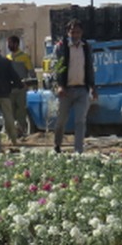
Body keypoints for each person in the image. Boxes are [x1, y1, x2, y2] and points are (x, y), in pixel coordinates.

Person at [52, 19, 97, 153]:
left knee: (80, 121)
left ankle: (78, 150)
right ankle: (57, 145)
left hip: (81, 89)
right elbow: (57, 67)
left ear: (81, 33)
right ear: (68, 32)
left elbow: (89, 67)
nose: (75, 35)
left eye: (77, 32)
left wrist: (93, 87)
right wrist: (60, 85)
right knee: (61, 121)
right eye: (72, 32)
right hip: (65, 90)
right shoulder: (61, 47)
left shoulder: (86, 47)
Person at [6, 35, 35, 138]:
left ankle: (21, 132)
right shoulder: (7, 58)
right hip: (10, 90)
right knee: (10, 112)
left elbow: (31, 72)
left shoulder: (24, 57)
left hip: (21, 89)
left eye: (10, 43)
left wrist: (33, 84)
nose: (9, 46)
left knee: (21, 112)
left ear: (16, 44)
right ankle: (12, 134)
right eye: (8, 44)